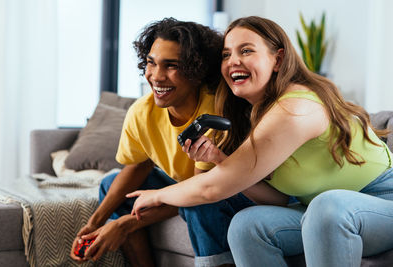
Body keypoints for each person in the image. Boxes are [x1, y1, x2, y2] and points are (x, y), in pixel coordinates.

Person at [127, 16, 393, 267]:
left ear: (278, 59)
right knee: (247, 225)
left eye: (246, 51)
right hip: (315, 210)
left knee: (328, 207)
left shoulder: (295, 108)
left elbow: (212, 189)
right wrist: (221, 159)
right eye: (226, 54)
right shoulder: (256, 114)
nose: (233, 61)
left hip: (380, 203)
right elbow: (277, 199)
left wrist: (158, 194)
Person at [70, 17, 224, 266]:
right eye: (151, 63)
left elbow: (200, 191)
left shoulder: (213, 112)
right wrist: (93, 224)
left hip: (213, 189)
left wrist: (125, 224)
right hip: (183, 184)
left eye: (171, 66)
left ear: (197, 70)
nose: (156, 76)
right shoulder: (142, 112)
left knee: (199, 207)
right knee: (111, 184)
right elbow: (140, 165)